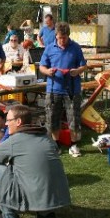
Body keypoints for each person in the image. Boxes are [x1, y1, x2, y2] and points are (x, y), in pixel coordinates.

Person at [0, 105, 71, 218]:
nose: (6, 123)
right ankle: (46, 216)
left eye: (9, 120)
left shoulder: (14, 141)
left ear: (18, 122)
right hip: (59, 197)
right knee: (34, 171)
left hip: (36, 191)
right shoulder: (46, 137)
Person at [39, 21, 87, 157]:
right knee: (52, 119)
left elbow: (84, 66)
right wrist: (48, 72)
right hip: (54, 89)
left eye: (64, 38)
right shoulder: (49, 48)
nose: (61, 41)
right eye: (59, 38)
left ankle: (74, 145)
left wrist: (77, 71)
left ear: (68, 36)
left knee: (74, 119)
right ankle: (56, 145)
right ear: (56, 36)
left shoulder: (76, 48)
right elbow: (42, 66)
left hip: (72, 90)